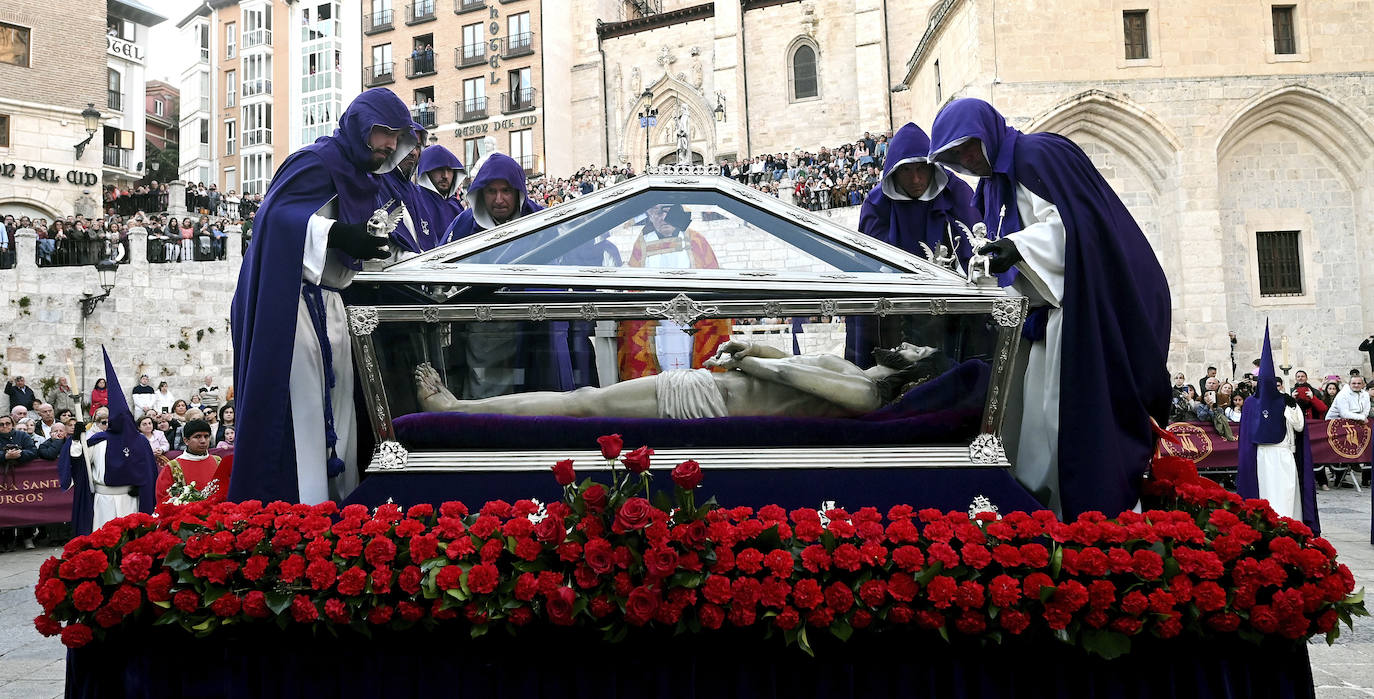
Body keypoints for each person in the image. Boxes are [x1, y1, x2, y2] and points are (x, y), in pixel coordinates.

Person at [927, 98, 1170, 519]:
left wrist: (1017, 248)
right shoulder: (990, 188)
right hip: (1043, 320)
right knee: (1034, 433)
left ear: (986, 134)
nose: (964, 161)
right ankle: (1044, 521)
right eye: (953, 158)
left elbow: (1077, 231)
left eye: (967, 148)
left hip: (1082, 314)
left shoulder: (1039, 154)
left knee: (1069, 427)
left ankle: (1090, 521)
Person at [231, 88, 418, 505]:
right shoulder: (315, 162)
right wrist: (335, 233)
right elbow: (275, 220)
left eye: (397, 136)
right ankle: (300, 514)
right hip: (293, 308)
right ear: (359, 127)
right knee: (304, 416)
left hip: (335, 306)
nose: (390, 145)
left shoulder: (372, 180)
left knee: (344, 420)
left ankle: (339, 512)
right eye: (383, 133)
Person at [415, 340, 952, 419]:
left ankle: (457, 410)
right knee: (586, 399)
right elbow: (785, 360)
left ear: (909, 370)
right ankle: (461, 406)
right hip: (711, 387)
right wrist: (750, 348)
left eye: (916, 349)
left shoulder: (865, 391)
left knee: (586, 403)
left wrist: (752, 362)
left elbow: (789, 372)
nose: (907, 341)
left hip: (712, 401)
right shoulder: (855, 372)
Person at [617, 203, 732, 380]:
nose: (663, 218)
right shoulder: (642, 245)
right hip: (657, 326)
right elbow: (634, 290)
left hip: (693, 324)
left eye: (668, 211)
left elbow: (713, 285)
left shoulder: (696, 241)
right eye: (657, 211)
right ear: (649, 214)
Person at [58, 351, 158, 536]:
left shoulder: (141, 442)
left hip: (131, 500)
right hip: (104, 500)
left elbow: (150, 473)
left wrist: (142, 488)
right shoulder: (99, 441)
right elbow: (79, 461)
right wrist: (76, 440)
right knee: (105, 541)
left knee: (131, 541)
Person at [1237, 328, 1318, 532]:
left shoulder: (1284, 401)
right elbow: (1247, 435)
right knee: (1265, 493)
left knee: (1286, 493)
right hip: (1262, 455)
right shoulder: (1250, 403)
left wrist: (1291, 407)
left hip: (1283, 453)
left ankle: (1289, 526)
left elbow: (1299, 426)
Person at [439, 151, 543, 243]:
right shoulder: (463, 224)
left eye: (506, 191)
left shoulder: (541, 220)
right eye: (491, 191)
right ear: (481, 194)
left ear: (517, 192)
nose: (499, 200)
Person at [155, 419, 231, 505]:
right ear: (186, 440)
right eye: (197, 436)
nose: (203, 441)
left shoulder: (218, 461)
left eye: (206, 436)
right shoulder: (173, 467)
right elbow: (163, 500)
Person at [413, 144, 466, 249]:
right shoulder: (415, 199)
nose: (445, 176)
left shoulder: (456, 205)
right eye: (439, 169)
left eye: (449, 170)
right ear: (427, 171)